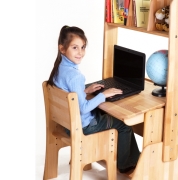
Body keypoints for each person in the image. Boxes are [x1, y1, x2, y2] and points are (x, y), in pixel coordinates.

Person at [47, 25, 140, 173]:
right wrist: (104, 94)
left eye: (83, 47)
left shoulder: (59, 69)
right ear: (62, 48)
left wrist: (86, 91)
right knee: (124, 125)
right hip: (84, 126)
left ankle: (130, 158)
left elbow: (71, 97)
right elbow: (83, 108)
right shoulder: (76, 76)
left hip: (67, 124)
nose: (81, 53)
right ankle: (125, 164)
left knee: (107, 114)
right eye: (75, 48)